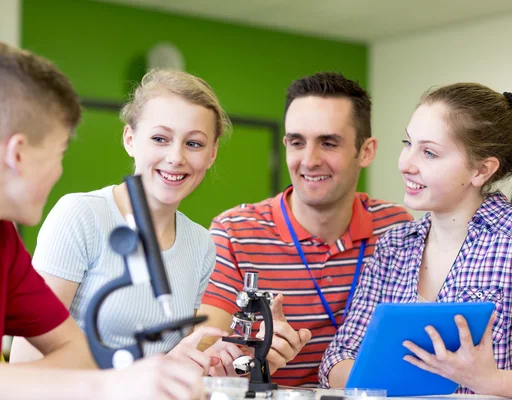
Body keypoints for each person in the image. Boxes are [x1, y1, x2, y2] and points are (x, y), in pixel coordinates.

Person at [0, 38, 205, 400]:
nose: (58, 171)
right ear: (17, 154)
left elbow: (78, 354)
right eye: (59, 152)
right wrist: (110, 386)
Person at [10, 68, 247, 376]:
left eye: (194, 143)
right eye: (160, 138)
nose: (176, 157)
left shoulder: (200, 243)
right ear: (130, 139)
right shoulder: (81, 216)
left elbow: (173, 360)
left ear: (212, 153)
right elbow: (27, 362)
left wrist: (217, 359)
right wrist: (152, 371)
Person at [197, 72, 414, 387]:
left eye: (328, 143)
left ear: (366, 151)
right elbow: (205, 353)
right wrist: (251, 358)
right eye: (297, 142)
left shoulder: (395, 228)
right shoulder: (234, 232)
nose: (309, 160)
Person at [319, 84, 512, 397]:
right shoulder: (394, 245)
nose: (405, 163)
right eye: (408, 143)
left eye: (429, 152)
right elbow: (338, 357)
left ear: (481, 169)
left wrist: (491, 381)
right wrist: (374, 375)